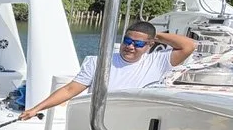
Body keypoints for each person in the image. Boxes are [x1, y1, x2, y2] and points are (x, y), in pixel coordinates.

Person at [20, 21, 196, 119]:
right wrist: (36, 108)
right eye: (127, 41)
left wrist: (156, 35)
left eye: (139, 43)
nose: (131, 46)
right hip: (99, 121)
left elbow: (188, 46)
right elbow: (69, 89)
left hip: (136, 121)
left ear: (150, 45)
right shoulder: (98, 62)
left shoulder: (157, 61)